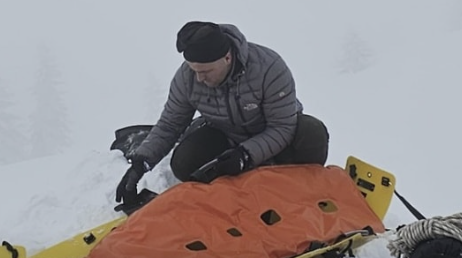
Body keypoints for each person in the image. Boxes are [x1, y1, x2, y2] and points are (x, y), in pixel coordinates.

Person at [116, 21, 329, 206]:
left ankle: (305, 193)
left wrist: (246, 155)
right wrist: (140, 164)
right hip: (228, 138)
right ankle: (231, 200)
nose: (199, 79)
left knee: (313, 133)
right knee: (184, 162)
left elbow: (282, 127)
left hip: (277, 137)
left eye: (205, 72)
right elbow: (170, 125)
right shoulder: (187, 78)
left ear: (227, 58)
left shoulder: (269, 68)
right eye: (194, 70)